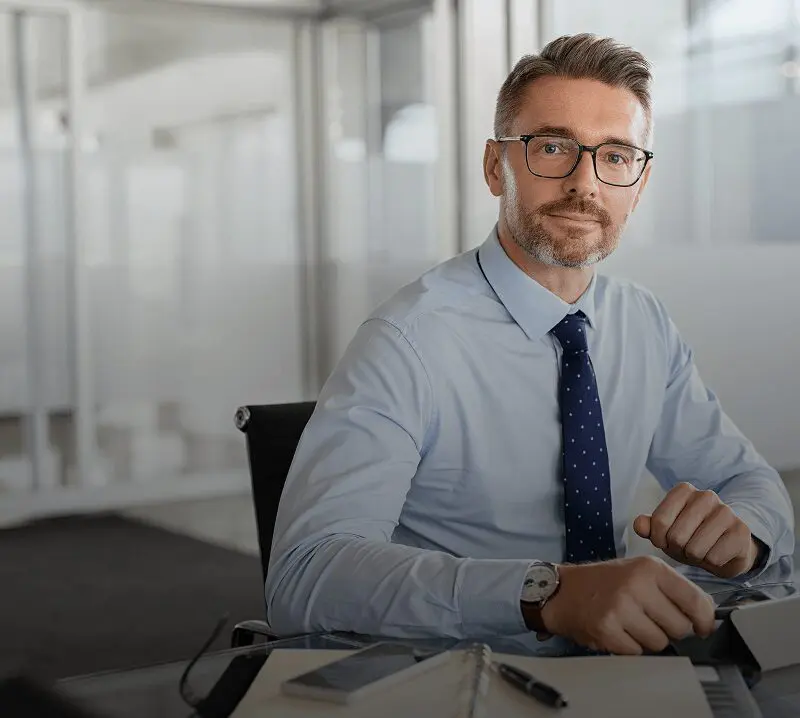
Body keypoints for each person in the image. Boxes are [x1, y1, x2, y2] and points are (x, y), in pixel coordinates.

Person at [266, 33, 794, 655]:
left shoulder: (642, 322)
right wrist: (545, 594)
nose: (585, 183)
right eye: (552, 147)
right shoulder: (409, 340)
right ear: (496, 167)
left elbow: (751, 483)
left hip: (633, 666)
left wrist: (746, 536)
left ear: (639, 182)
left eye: (617, 156)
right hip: (475, 675)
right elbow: (306, 579)